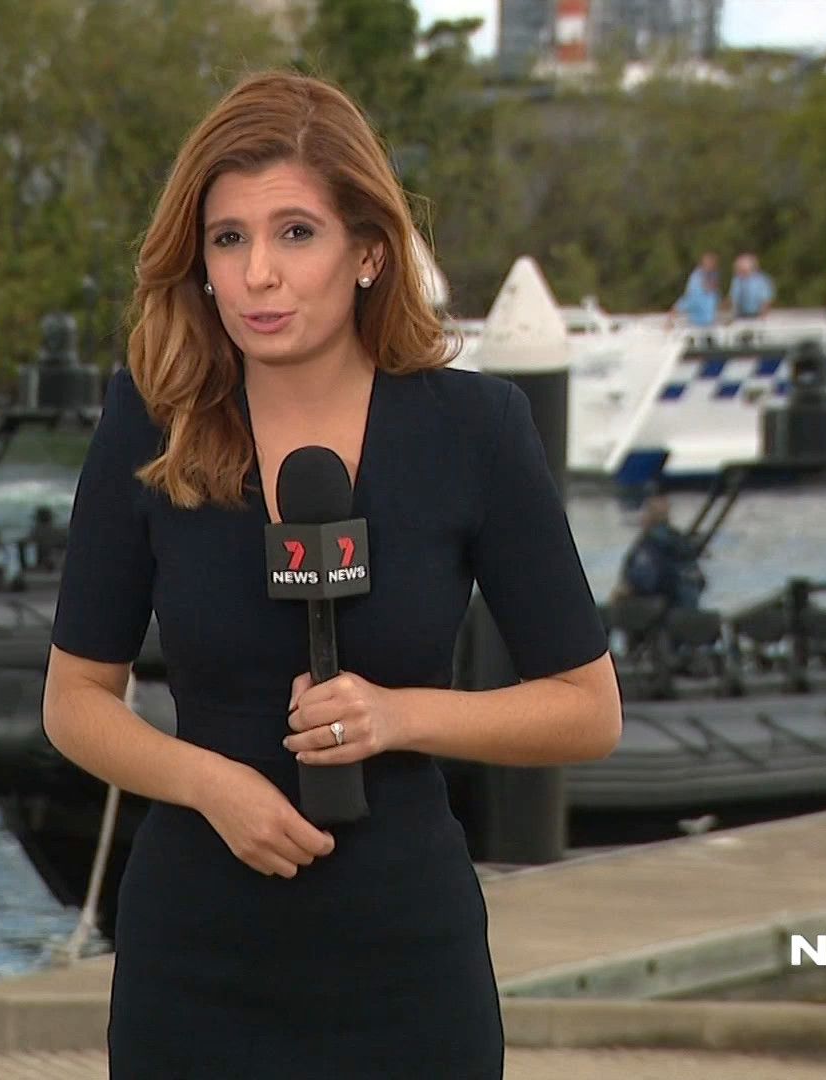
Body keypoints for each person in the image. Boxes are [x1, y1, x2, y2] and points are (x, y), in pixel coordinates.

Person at [41, 71, 622, 1079]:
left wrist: (399, 716)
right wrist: (210, 784)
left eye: (296, 233)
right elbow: (74, 701)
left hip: (406, 964)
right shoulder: (150, 420)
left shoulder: (475, 430)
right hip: (196, 959)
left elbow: (587, 711)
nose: (258, 274)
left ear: (369, 252)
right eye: (229, 239)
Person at [616, 492, 705, 612]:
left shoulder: (651, 543)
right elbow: (699, 579)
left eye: (645, 511)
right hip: (688, 608)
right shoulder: (678, 540)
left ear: (650, 516)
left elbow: (644, 579)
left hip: (663, 608)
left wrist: (624, 590)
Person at [672, 251, 719, 328]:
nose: (711, 265)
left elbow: (714, 290)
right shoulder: (697, 276)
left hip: (707, 314)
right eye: (709, 262)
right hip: (695, 301)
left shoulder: (713, 275)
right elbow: (689, 297)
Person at [727, 252, 774, 321]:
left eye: (740, 267)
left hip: (757, 315)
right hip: (741, 315)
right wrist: (734, 315)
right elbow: (733, 298)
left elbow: (766, 299)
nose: (737, 270)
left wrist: (762, 316)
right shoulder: (737, 280)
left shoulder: (761, 280)